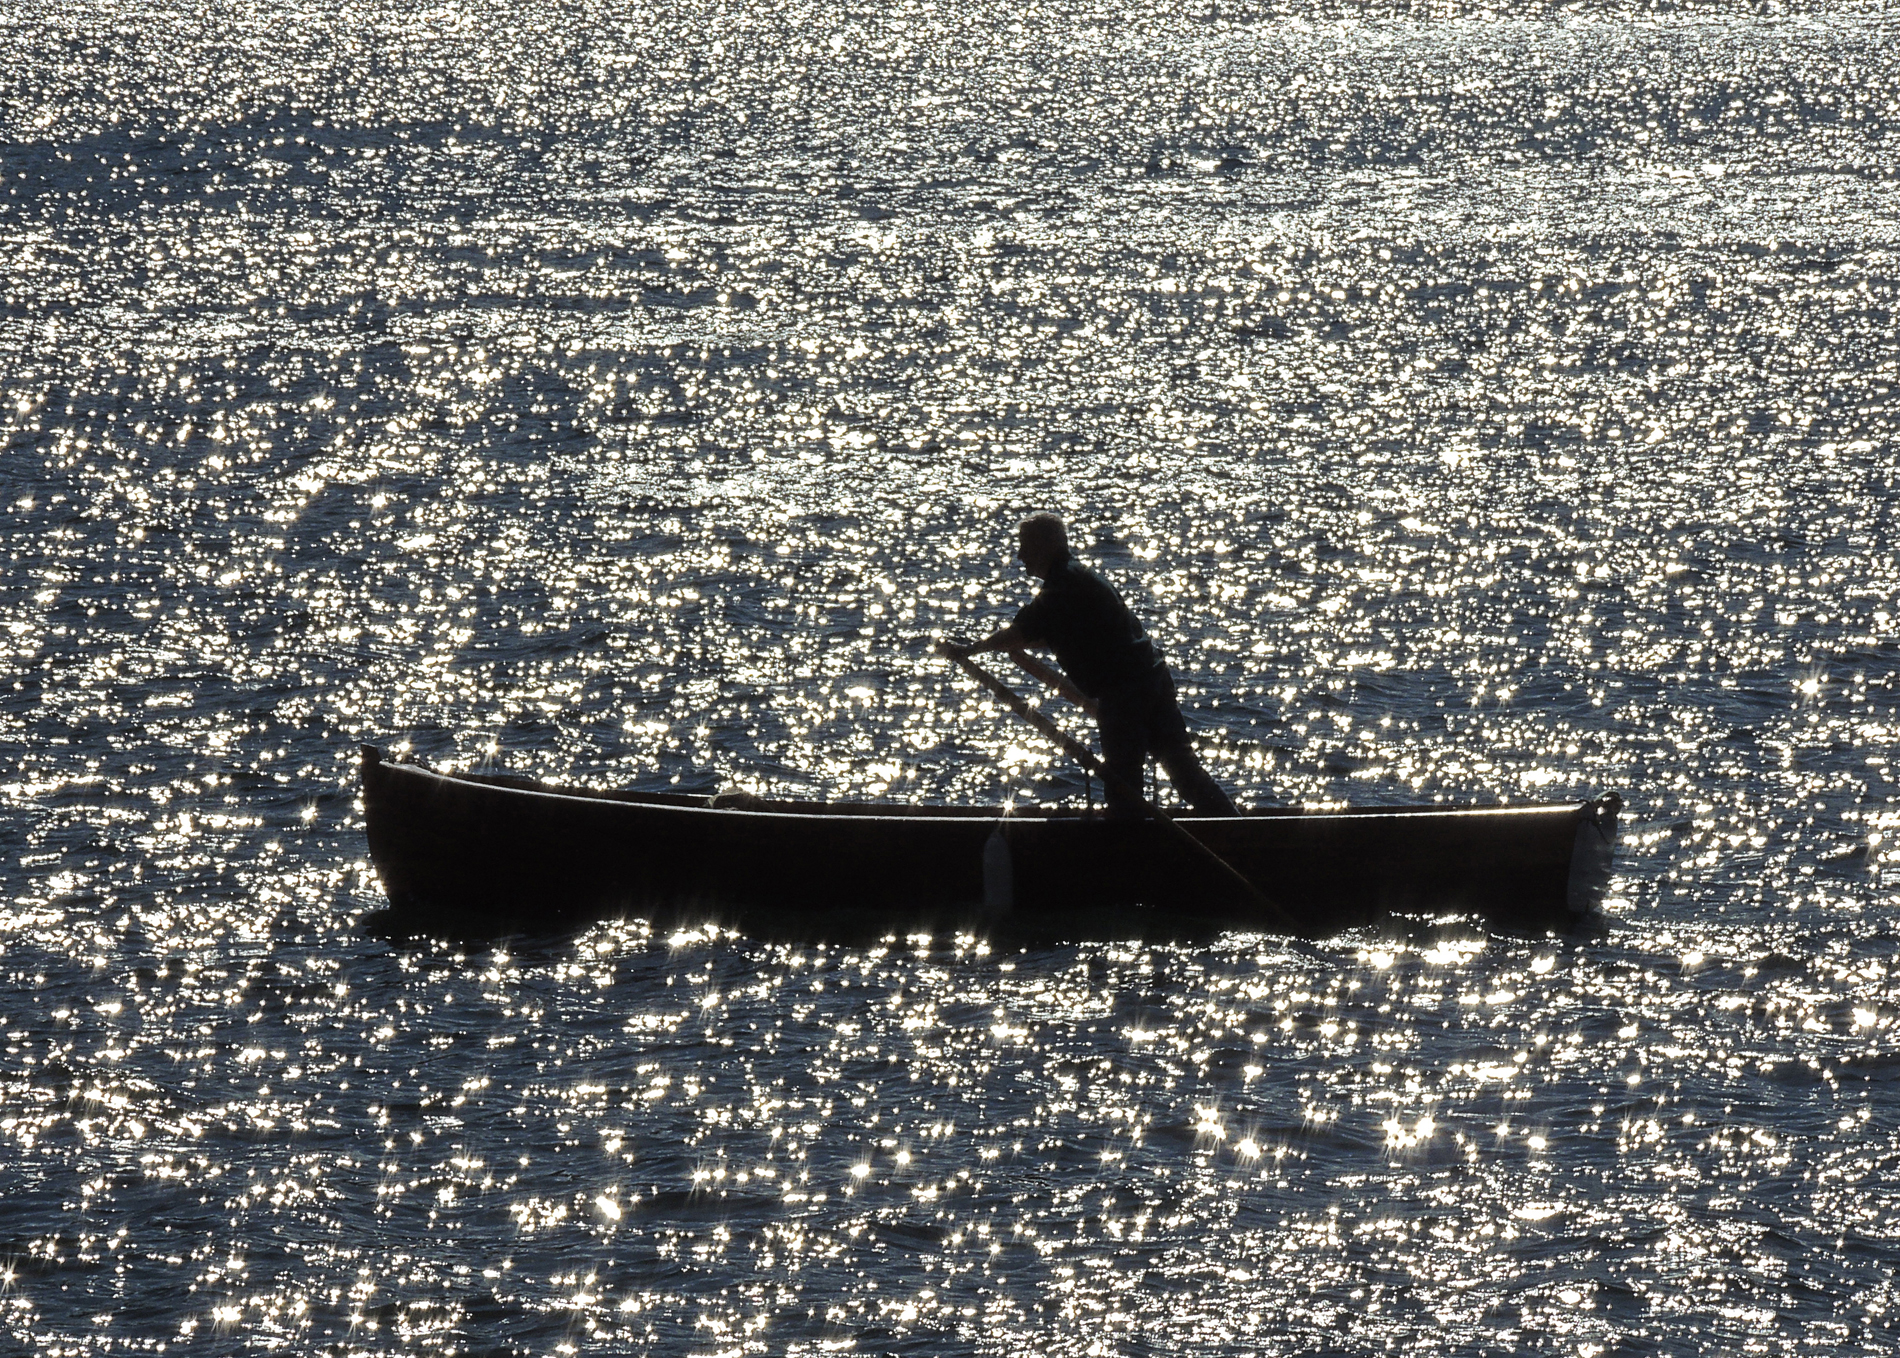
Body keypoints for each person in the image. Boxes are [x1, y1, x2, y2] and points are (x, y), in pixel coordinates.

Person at [946, 513, 1239, 819]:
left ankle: (1132, 842)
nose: (1020, 555)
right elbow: (1051, 632)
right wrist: (1013, 646)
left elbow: (1022, 631)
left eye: (1025, 546)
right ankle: (1234, 828)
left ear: (1046, 545)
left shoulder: (1062, 586)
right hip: (1152, 681)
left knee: (1125, 786)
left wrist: (970, 649)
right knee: (1183, 771)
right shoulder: (1077, 578)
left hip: (1126, 694)